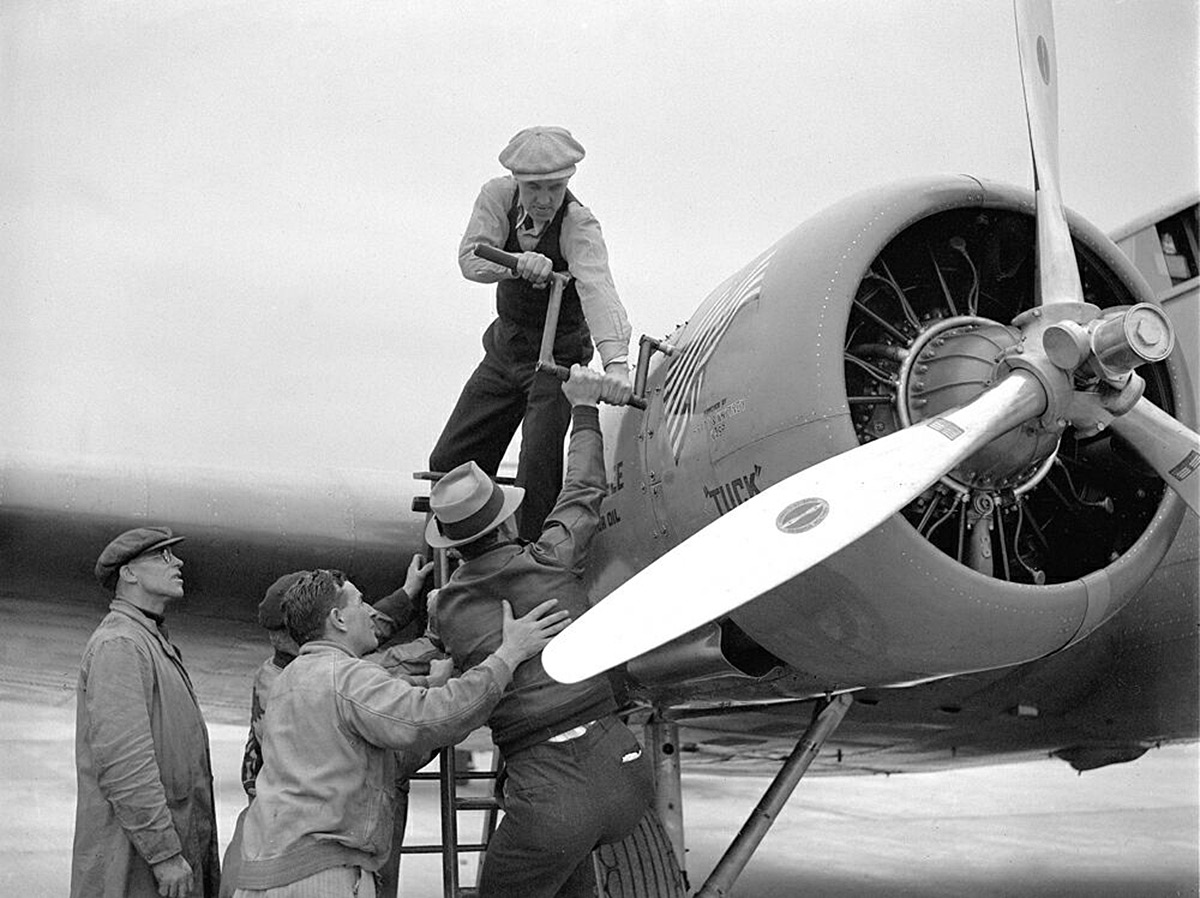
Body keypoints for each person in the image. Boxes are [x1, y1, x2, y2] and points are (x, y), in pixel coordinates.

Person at [429, 364, 653, 898]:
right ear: (506, 522)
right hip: (625, 772)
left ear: (453, 546)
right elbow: (584, 489)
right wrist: (582, 407)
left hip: (550, 795)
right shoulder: (552, 560)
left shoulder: (447, 612)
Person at [234, 568, 569, 897]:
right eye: (361, 603)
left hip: (262, 875)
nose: (369, 612)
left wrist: (428, 683)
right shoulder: (346, 678)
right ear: (337, 619)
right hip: (319, 878)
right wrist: (508, 654)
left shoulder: (283, 683)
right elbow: (432, 719)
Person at [430, 125, 635, 541]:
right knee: (450, 461)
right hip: (506, 351)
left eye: (555, 188)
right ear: (517, 182)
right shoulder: (496, 197)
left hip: (556, 361)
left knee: (537, 476)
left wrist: (616, 366)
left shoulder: (578, 225)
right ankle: (449, 568)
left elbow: (599, 291)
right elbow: (471, 259)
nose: (544, 200)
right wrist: (517, 262)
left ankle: (528, 568)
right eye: (534, 188)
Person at [220, 558, 437, 898]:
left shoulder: (294, 666)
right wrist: (432, 683)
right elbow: (393, 711)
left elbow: (354, 627)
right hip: (322, 835)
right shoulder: (290, 684)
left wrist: (406, 594)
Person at [71, 526, 220, 898]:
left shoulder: (149, 641)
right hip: (135, 866)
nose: (178, 562)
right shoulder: (121, 644)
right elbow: (125, 764)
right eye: (162, 556)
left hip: (158, 858)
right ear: (129, 573)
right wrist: (164, 854)